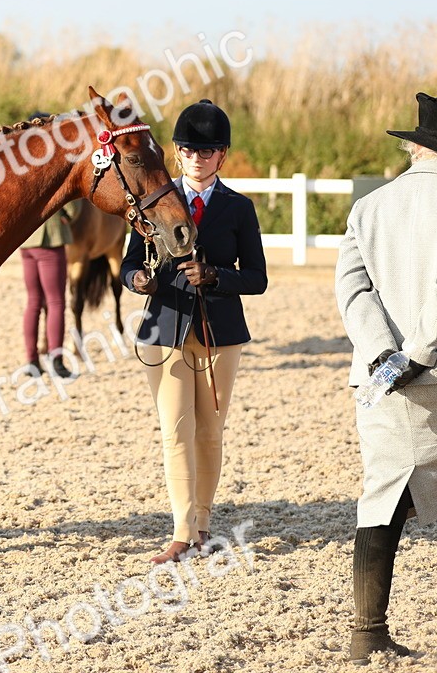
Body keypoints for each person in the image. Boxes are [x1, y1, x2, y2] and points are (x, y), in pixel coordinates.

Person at [120, 99, 267, 564]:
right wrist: (137, 280)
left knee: (209, 431)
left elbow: (257, 278)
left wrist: (217, 276)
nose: (197, 158)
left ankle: (202, 523)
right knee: (175, 430)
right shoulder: (155, 202)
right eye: (188, 150)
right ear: (176, 151)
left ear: (222, 155)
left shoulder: (239, 208)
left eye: (207, 151)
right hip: (164, 327)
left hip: (220, 331)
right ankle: (182, 531)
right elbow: (128, 265)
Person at [335, 92, 437, 665]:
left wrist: (385, 354)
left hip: (381, 379)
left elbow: (352, 289)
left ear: (416, 147)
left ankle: (367, 632)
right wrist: (419, 353)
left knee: (382, 497)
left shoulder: (369, 206)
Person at [21, 198, 81, 379]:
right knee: (56, 302)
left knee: (33, 302)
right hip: (50, 236)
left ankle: (32, 361)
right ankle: (56, 361)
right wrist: (69, 215)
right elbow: (72, 203)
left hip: (27, 238)